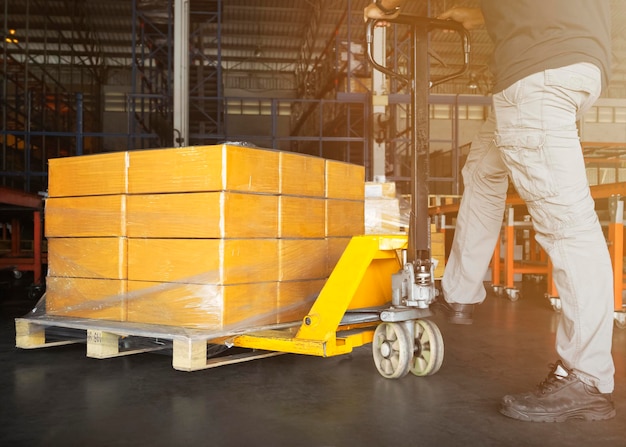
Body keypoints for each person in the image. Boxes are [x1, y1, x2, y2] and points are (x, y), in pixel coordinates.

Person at [364, 0, 616, 422]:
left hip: (539, 72)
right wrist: (480, 15)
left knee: (569, 228)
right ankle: (460, 292)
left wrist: (386, 7)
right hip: (574, 62)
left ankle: (588, 377)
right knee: (483, 168)